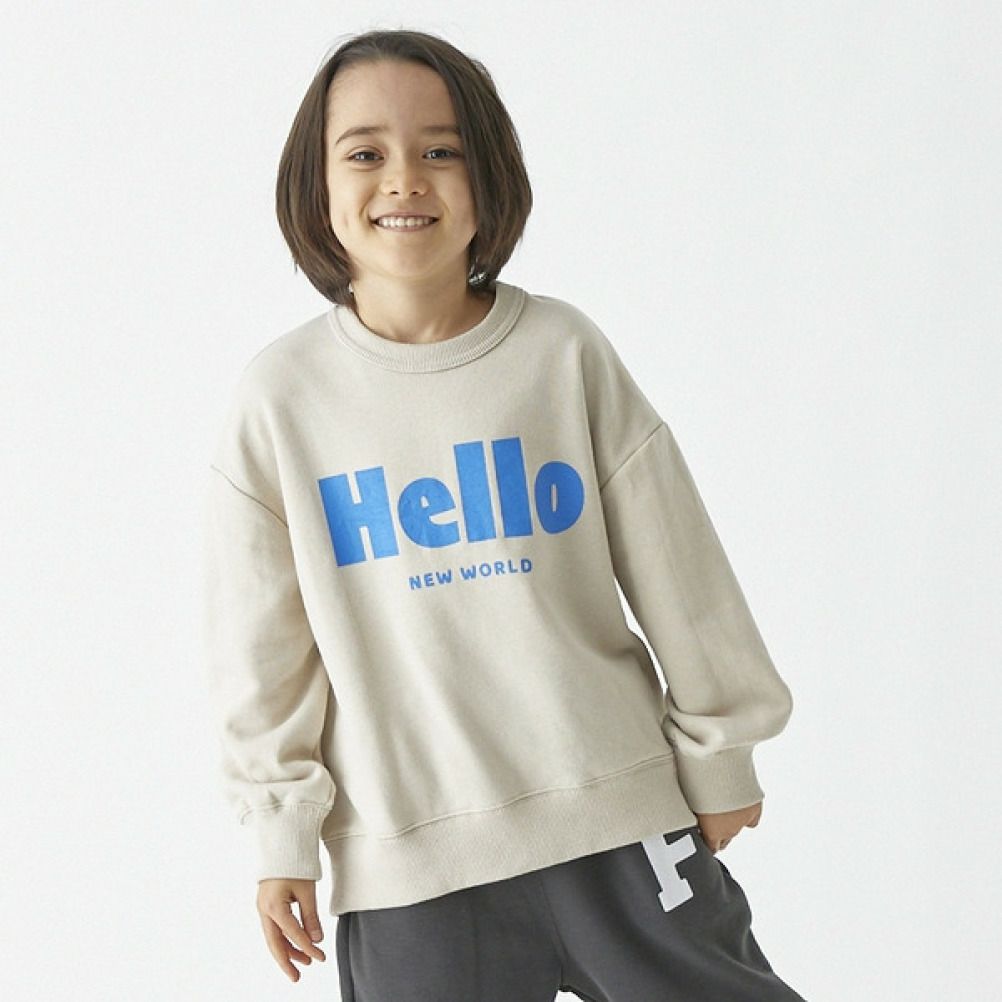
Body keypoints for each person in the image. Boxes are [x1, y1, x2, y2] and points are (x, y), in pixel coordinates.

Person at [201, 26, 808, 1001]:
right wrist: (281, 835)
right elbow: (263, 652)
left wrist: (721, 751)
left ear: (490, 176)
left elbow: (679, 567)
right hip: (412, 871)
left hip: (619, 824)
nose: (405, 179)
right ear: (315, 187)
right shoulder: (280, 401)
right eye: (365, 153)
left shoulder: (561, 353)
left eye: (441, 149)